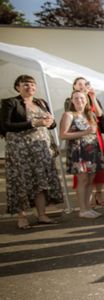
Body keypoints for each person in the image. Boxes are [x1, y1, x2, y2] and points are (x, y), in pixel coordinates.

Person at [1, 75, 63, 229]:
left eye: (33, 85)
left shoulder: (40, 102)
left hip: (41, 150)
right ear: (18, 87)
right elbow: (6, 125)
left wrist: (49, 122)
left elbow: (52, 124)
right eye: (26, 85)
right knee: (21, 181)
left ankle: (41, 215)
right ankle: (22, 217)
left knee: (41, 181)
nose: (30, 87)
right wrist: (34, 122)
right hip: (20, 150)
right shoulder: (10, 102)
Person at [59, 91, 104, 219]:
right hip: (78, 152)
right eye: (76, 98)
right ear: (72, 101)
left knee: (90, 180)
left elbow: (100, 119)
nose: (79, 100)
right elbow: (63, 135)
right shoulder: (69, 115)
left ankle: (88, 207)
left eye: (82, 98)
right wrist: (84, 132)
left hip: (92, 151)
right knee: (83, 180)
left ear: (86, 100)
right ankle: (82, 209)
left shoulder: (90, 115)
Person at [64, 77, 104, 207]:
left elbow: (101, 116)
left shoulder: (92, 98)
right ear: (74, 86)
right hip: (80, 139)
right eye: (80, 84)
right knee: (83, 174)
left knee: (98, 169)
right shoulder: (71, 100)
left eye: (86, 84)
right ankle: (85, 203)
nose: (83, 86)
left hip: (95, 136)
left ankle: (98, 194)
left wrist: (93, 97)